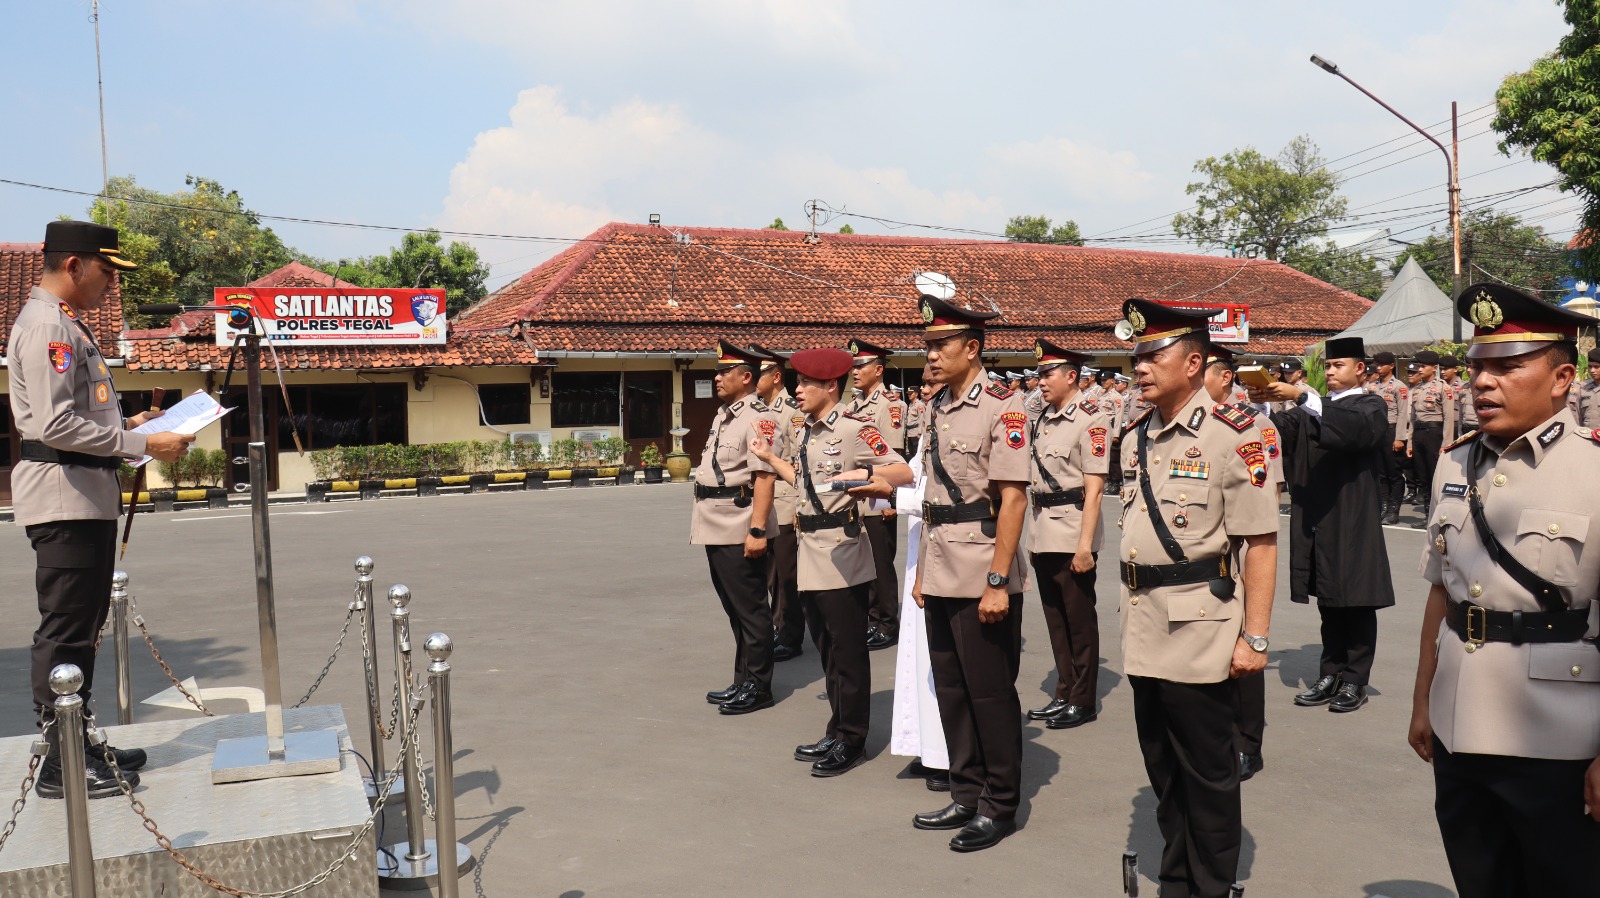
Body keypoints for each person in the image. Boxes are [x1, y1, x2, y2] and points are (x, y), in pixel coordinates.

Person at [1408, 282, 1600, 898]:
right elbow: (1442, 596)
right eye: (1478, 368)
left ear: (1562, 377)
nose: (1483, 383)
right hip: (1459, 723)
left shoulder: (1593, 471)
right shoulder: (1454, 464)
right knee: (1480, 882)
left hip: (1560, 734)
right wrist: (1421, 704)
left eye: (1507, 367)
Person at [12, 220, 195, 798]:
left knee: (82, 627)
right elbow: (52, 424)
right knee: (66, 632)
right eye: (107, 271)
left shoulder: (64, 324)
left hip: (82, 496)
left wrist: (131, 425)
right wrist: (141, 445)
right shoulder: (48, 327)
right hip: (64, 500)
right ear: (74, 266)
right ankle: (60, 762)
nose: (112, 285)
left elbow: (78, 418)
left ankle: (79, 738)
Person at [1114, 298, 1279, 897]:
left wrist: (1255, 637)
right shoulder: (1141, 434)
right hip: (1144, 622)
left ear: (1193, 362)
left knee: (1208, 776)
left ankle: (1212, 885)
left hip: (1201, 626)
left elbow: (1259, 543)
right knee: (1162, 769)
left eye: (1152, 355)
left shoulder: (1239, 433)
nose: (1139, 367)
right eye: (1135, 356)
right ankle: (1177, 881)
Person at [751, 348, 912, 776]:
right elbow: (806, 482)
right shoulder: (807, 430)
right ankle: (837, 728)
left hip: (842, 551)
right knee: (826, 649)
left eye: (804, 383)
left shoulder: (857, 429)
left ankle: (853, 739)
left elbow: (900, 470)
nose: (797, 390)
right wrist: (769, 459)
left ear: (829, 386)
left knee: (848, 651)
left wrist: (867, 479)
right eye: (796, 382)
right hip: (810, 549)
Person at [908, 291, 1031, 853]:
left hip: (984, 566)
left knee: (989, 692)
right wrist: (922, 575)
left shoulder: (1003, 408)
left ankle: (999, 804)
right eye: (928, 345)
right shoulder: (936, 406)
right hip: (941, 564)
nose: (930, 355)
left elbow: (1011, 501)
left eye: (941, 345)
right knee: (951, 688)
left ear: (973, 348)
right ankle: (966, 791)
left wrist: (999, 582)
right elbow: (935, 494)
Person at [1253, 337, 1395, 715]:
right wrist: (1259, 403)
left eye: (1338, 366)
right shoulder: (1318, 407)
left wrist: (1302, 397)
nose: (1330, 372)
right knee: (1330, 601)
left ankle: (1355, 679)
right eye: (1328, 367)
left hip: (1352, 515)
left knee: (1357, 601)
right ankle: (1329, 673)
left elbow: (1353, 430)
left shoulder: (1370, 405)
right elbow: (1279, 429)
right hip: (1319, 513)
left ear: (1360, 369)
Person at [1202, 345, 1280, 782]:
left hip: (1240, 558)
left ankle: (1249, 742)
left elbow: (1266, 499)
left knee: (1246, 651)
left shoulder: (1254, 425)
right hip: (1202, 566)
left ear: (1225, 377)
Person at [694, 340, 782, 715]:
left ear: (746, 377)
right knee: (734, 608)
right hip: (715, 521)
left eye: (724, 372)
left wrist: (757, 531)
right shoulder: (724, 415)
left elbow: (764, 478)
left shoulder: (757, 419)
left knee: (751, 608)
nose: (716, 378)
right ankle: (743, 678)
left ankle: (760, 686)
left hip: (739, 523)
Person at [1024, 339, 1108, 730]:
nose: (1040, 380)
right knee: (1055, 618)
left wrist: (1085, 546)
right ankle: (1064, 690)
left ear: (1071, 376)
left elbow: (1093, 490)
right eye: (1039, 373)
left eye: (1047, 373)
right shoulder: (1043, 416)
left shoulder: (1092, 418)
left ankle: (1083, 699)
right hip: (1043, 530)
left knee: (1078, 619)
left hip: (1073, 529)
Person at [890, 364, 951, 793]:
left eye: (932, 385)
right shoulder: (930, 427)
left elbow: (938, 495)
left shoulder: (952, 427)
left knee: (939, 662)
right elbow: (915, 476)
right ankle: (928, 748)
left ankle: (948, 757)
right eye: (924, 386)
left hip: (947, 552)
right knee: (917, 656)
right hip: (921, 551)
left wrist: (886, 495)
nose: (924, 392)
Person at [846, 338, 906, 652]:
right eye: (853, 366)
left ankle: (887, 623)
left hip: (878, 494)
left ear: (878, 370)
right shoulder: (853, 407)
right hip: (858, 496)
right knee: (865, 562)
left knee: (881, 564)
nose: (855, 371)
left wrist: (887, 501)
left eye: (861, 366)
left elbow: (891, 458)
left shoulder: (889, 406)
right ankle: (871, 619)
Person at [748, 344, 806, 662]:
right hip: (767, 507)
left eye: (760, 373)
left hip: (785, 505)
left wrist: (799, 507)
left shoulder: (793, 413)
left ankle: (791, 635)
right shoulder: (760, 410)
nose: (755, 379)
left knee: (787, 575)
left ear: (776, 377)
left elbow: (798, 462)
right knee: (770, 574)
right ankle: (778, 625)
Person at [1400, 349, 1456, 524]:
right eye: (1419, 366)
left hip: (1435, 434)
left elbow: (1449, 418)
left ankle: (1438, 516)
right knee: (1422, 477)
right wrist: (1409, 442)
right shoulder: (1417, 390)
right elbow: (1414, 419)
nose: (1420, 369)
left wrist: (1446, 443)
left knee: (1435, 477)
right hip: (1419, 435)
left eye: (1424, 366)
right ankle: (1427, 515)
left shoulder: (1443, 388)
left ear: (1435, 368)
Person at [1370, 351, 1410, 525]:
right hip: (1377, 433)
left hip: (1392, 431)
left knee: (1394, 473)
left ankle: (1394, 509)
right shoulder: (1373, 386)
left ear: (1391, 366)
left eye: (1381, 365)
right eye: (1376, 365)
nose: (1378, 368)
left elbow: (1403, 414)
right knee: (1380, 473)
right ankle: (1384, 506)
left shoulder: (1399, 386)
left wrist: (1400, 437)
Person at [1571, 353, 1600, 427]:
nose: (1592, 370)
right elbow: (1578, 417)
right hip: (1587, 436)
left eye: (1596, 367)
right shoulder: (1583, 389)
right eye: (1590, 366)